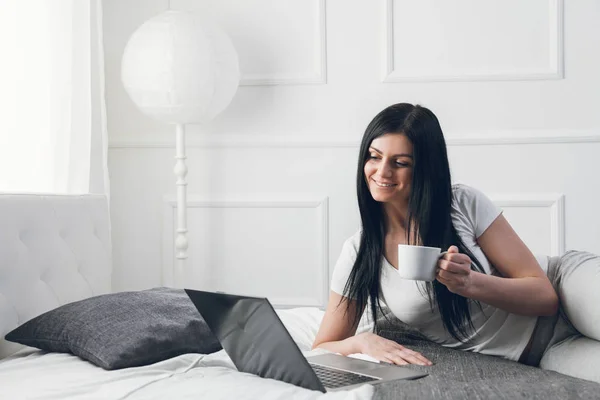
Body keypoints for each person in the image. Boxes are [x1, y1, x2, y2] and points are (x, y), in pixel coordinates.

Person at [312, 103, 600, 383]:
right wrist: (361, 343)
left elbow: (546, 298)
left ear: (425, 168)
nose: (382, 171)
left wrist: (469, 284)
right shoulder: (359, 252)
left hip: (567, 285)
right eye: (374, 157)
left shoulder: (462, 203)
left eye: (400, 163)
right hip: (542, 353)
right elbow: (323, 346)